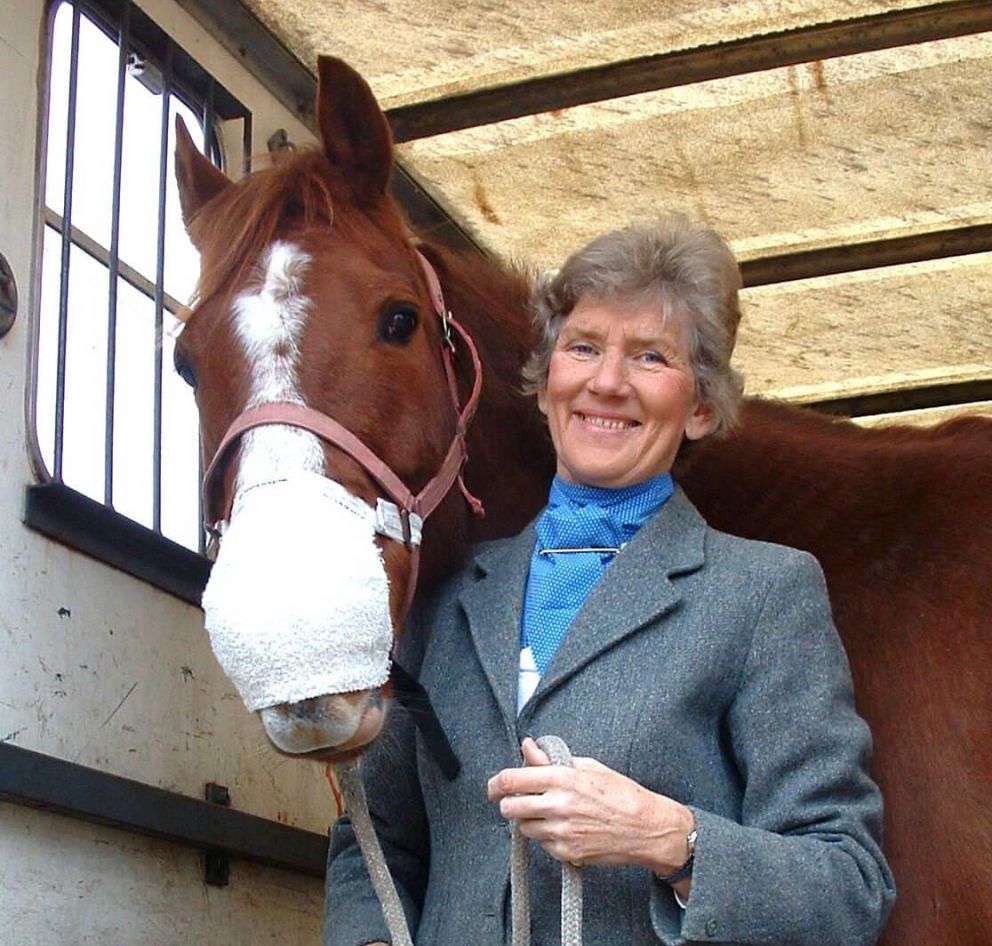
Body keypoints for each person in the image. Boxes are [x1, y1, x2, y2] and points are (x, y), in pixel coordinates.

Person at [324, 214, 895, 946]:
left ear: (701, 407)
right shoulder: (442, 597)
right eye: (584, 347)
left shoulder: (764, 594)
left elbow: (848, 884)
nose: (607, 382)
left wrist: (669, 839)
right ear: (544, 380)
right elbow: (375, 841)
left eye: (651, 357)